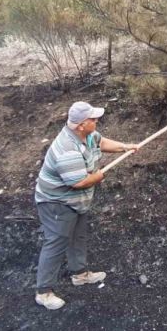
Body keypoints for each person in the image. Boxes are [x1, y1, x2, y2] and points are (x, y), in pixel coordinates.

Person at [34, 101, 140, 310]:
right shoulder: (68, 150)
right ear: (81, 124)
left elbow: (101, 142)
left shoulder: (87, 134)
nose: (96, 121)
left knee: (77, 235)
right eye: (92, 119)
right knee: (56, 242)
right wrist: (99, 176)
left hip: (76, 201)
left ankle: (80, 274)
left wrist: (125, 147)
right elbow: (78, 182)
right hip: (56, 203)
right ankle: (43, 292)